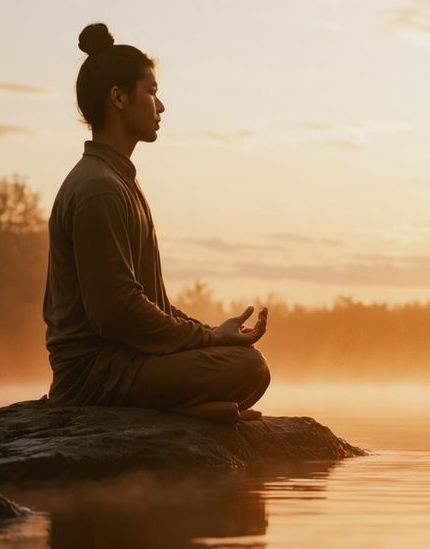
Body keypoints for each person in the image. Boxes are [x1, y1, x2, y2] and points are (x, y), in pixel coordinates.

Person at [42, 22, 270, 425]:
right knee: (247, 369)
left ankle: (185, 407)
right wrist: (210, 339)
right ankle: (178, 411)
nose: (160, 106)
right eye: (151, 92)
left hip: (128, 362)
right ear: (118, 98)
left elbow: (148, 302)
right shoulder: (99, 189)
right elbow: (117, 313)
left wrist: (213, 332)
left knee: (247, 361)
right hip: (95, 379)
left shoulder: (118, 181)